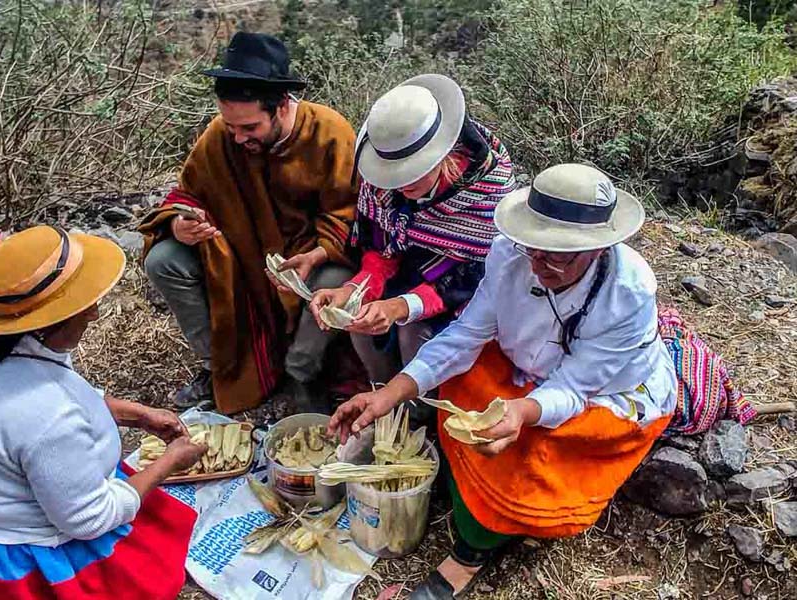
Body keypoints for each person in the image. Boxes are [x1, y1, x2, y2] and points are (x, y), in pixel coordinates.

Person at [328, 164, 676, 599]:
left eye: (557, 255)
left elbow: (573, 387)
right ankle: (472, 500)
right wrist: (390, 395)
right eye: (533, 248)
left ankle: (474, 549)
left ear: (598, 249)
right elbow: (466, 335)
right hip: (526, 368)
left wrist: (522, 412)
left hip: (599, 392)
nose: (539, 264)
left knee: (533, 452)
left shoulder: (628, 292)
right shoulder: (510, 255)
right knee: (457, 391)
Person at [0, 225, 207, 600]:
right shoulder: (45, 416)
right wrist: (170, 461)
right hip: (18, 548)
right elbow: (89, 519)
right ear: (47, 322)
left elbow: (68, 396)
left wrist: (137, 415)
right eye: (82, 305)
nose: (93, 312)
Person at [139, 32, 358, 414]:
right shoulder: (220, 135)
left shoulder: (329, 133)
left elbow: (351, 214)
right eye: (231, 127)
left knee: (334, 279)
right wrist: (179, 226)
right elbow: (187, 196)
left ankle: (301, 374)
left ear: (283, 106)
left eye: (250, 128)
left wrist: (318, 254)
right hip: (241, 260)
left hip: (308, 263)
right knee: (164, 259)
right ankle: (218, 367)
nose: (238, 138)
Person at [309, 75, 516, 420]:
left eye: (412, 175)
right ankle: (381, 404)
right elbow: (381, 248)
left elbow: (477, 274)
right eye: (393, 177)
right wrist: (354, 289)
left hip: (460, 290)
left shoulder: (488, 191)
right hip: (408, 270)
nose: (400, 187)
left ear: (444, 155)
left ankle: (420, 419)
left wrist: (402, 307)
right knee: (358, 322)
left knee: (413, 335)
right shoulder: (380, 185)